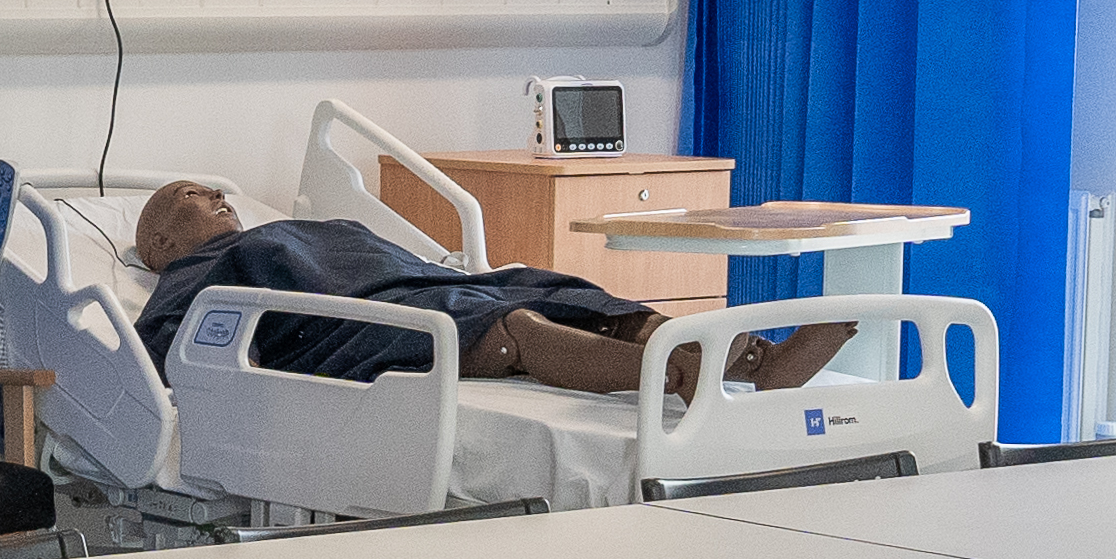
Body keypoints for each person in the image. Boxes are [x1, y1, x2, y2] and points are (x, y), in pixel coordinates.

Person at [122, 179, 844, 397]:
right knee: (511, 328)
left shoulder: (290, 225)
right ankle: (679, 375)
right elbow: (169, 353)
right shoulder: (190, 275)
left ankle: (756, 361)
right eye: (191, 195)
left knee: (561, 291)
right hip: (357, 323)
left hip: (425, 282)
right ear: (158, 243)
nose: (217, 194)